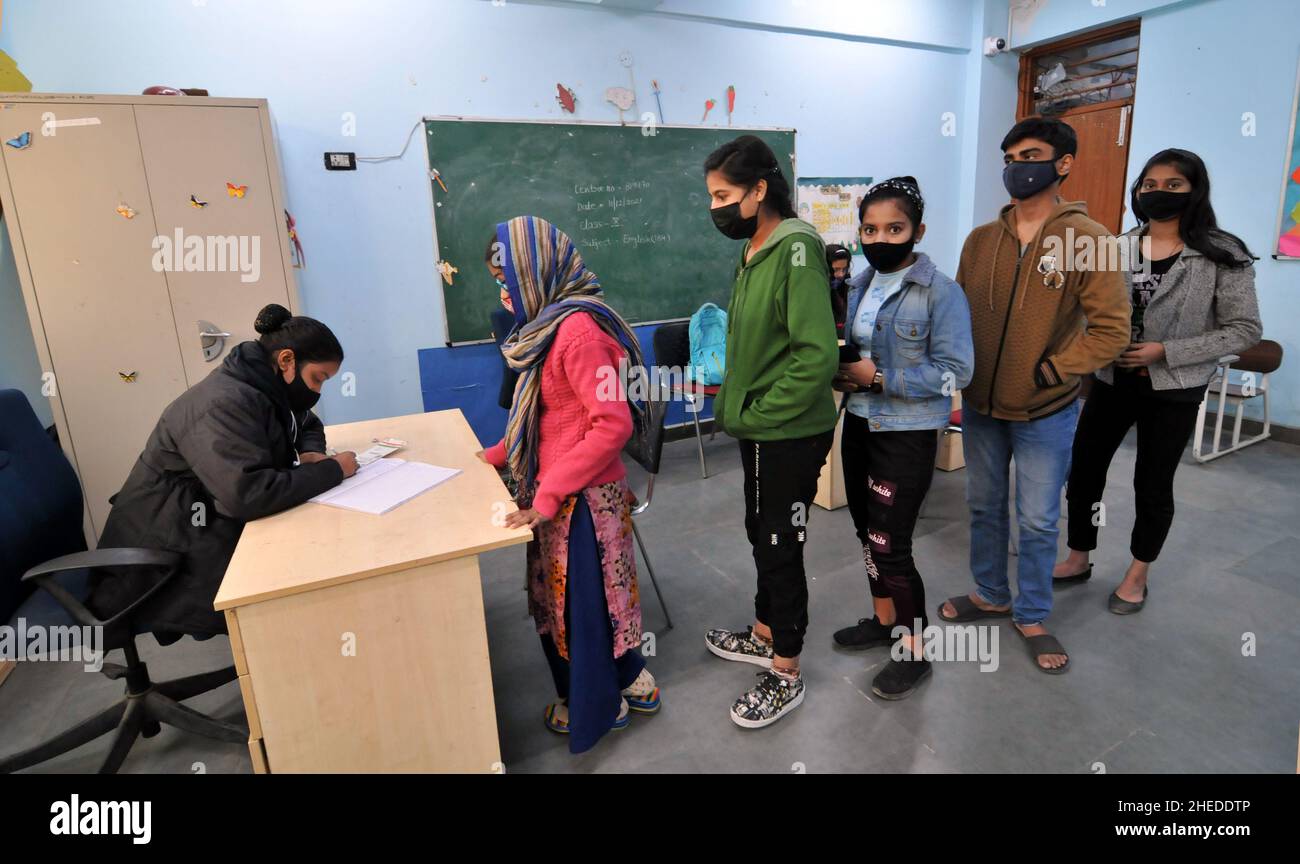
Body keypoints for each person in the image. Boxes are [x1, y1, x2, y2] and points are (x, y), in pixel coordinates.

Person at [940, 117, 1129, 674]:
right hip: (980, 405)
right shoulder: (981, 241)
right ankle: (991, 592)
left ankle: (1033, 613)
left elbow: (1112, 330)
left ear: (1063, 164)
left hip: (1045, 408)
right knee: (983, 505)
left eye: (1031, 155)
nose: (1017, 167)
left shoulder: (1089, 241)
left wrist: (1055, 370)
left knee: (1041, 518)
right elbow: (958, 317)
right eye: (1010, 156)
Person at [478, 215, 658, 753]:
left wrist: (550, 491)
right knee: (598, 600)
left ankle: (600, 705)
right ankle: (633, 680)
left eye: (507, 278)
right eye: (497, 281)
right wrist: (496, 456)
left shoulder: (577, 332)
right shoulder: (545, 326)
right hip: (563, 489)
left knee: (579, 607)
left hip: (582, 501)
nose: (504, 291)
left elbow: (613, 424)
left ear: (537, 271)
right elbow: (546, 419)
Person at [1055, 148, 1262, 613]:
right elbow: (1092, 311)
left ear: (1194, 190)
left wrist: (1165, 352)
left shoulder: (1222, 253)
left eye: (1173, 185)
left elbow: (1244, 328)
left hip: (1173, 389)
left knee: (1152, 483)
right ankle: (1078, 555)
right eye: (1150, 184)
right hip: (1112, 380)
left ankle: (1136, 574)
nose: (1159, 193)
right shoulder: (1118, 246)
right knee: (1084, 473)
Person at [89, 304, 356, 643]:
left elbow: (305, 421)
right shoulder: (222, 404)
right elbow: (249, 496)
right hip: (165, 557)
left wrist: (309, 452)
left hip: (204, 528)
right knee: (295, 592)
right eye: (317, 378)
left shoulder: (265, 387)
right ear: (287, 360)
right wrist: (334, 470)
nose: (317, 391)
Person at [700, 134, 838, 728]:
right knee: (761, 529)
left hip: (787, 431)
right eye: (710, 196)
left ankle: (786, 667)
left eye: (724, 194)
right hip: (760, 429)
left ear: (760, 190)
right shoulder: (755, 247)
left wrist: (756, 413)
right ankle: (764, 631)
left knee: (782, 542)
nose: (715, 208)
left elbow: (815, 358)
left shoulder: (797, 247)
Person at [829, 177, 974, 699]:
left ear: (918, 231)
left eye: (894, 227)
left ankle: (914, 651)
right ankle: (883, 619)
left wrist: (882, 378)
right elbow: (857, 350)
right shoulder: (860, 282)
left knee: (891, 545)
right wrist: (845, 374)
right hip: (861, 423)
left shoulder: (942, 291)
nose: (880, 237)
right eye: (870, 228)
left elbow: (957, 373)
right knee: (868, 534)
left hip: (907, 434)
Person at [826, 242, 853, 335]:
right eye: (835, 269)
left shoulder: (848, 287)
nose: (841, 275)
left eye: (844, 269)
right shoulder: (816, 292)